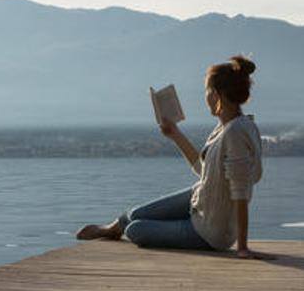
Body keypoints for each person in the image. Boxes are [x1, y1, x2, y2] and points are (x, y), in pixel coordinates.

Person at [76, 55, 274, 259]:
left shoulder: (236, 132)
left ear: (216, 95)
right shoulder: (225, 127)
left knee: (136, 229)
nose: (205, 96)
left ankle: (119, 229)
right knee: (134, 216)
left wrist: (242, 247)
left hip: (211, 232)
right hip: (202, 200)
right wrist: (174, 133)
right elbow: (203, 170)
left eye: (207, 91)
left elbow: (240, 191)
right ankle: (111, 229)